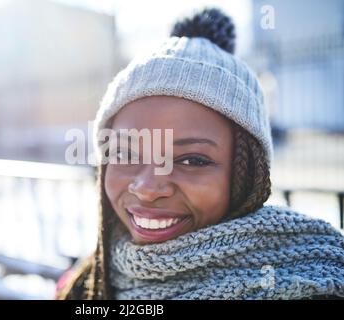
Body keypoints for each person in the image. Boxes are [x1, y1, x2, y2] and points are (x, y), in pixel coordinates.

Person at [56, 8, 344, 300]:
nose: (148, 188)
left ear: (246, 175)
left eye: (192, 160)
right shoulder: (89, 281)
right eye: (125, 154)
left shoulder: (313, 283)